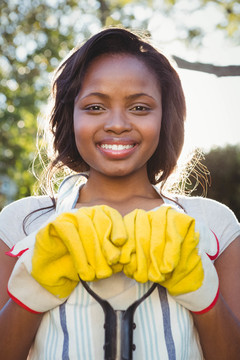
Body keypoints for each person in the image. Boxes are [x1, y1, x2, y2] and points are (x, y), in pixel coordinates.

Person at [0, 27, 240, 360]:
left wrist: (205, 297)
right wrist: (31, 293)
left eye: (140, 108)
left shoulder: (215, 226)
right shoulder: (21, 223)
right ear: (70, 116)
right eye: (95, 107)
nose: (117, 124)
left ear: (165, 117)